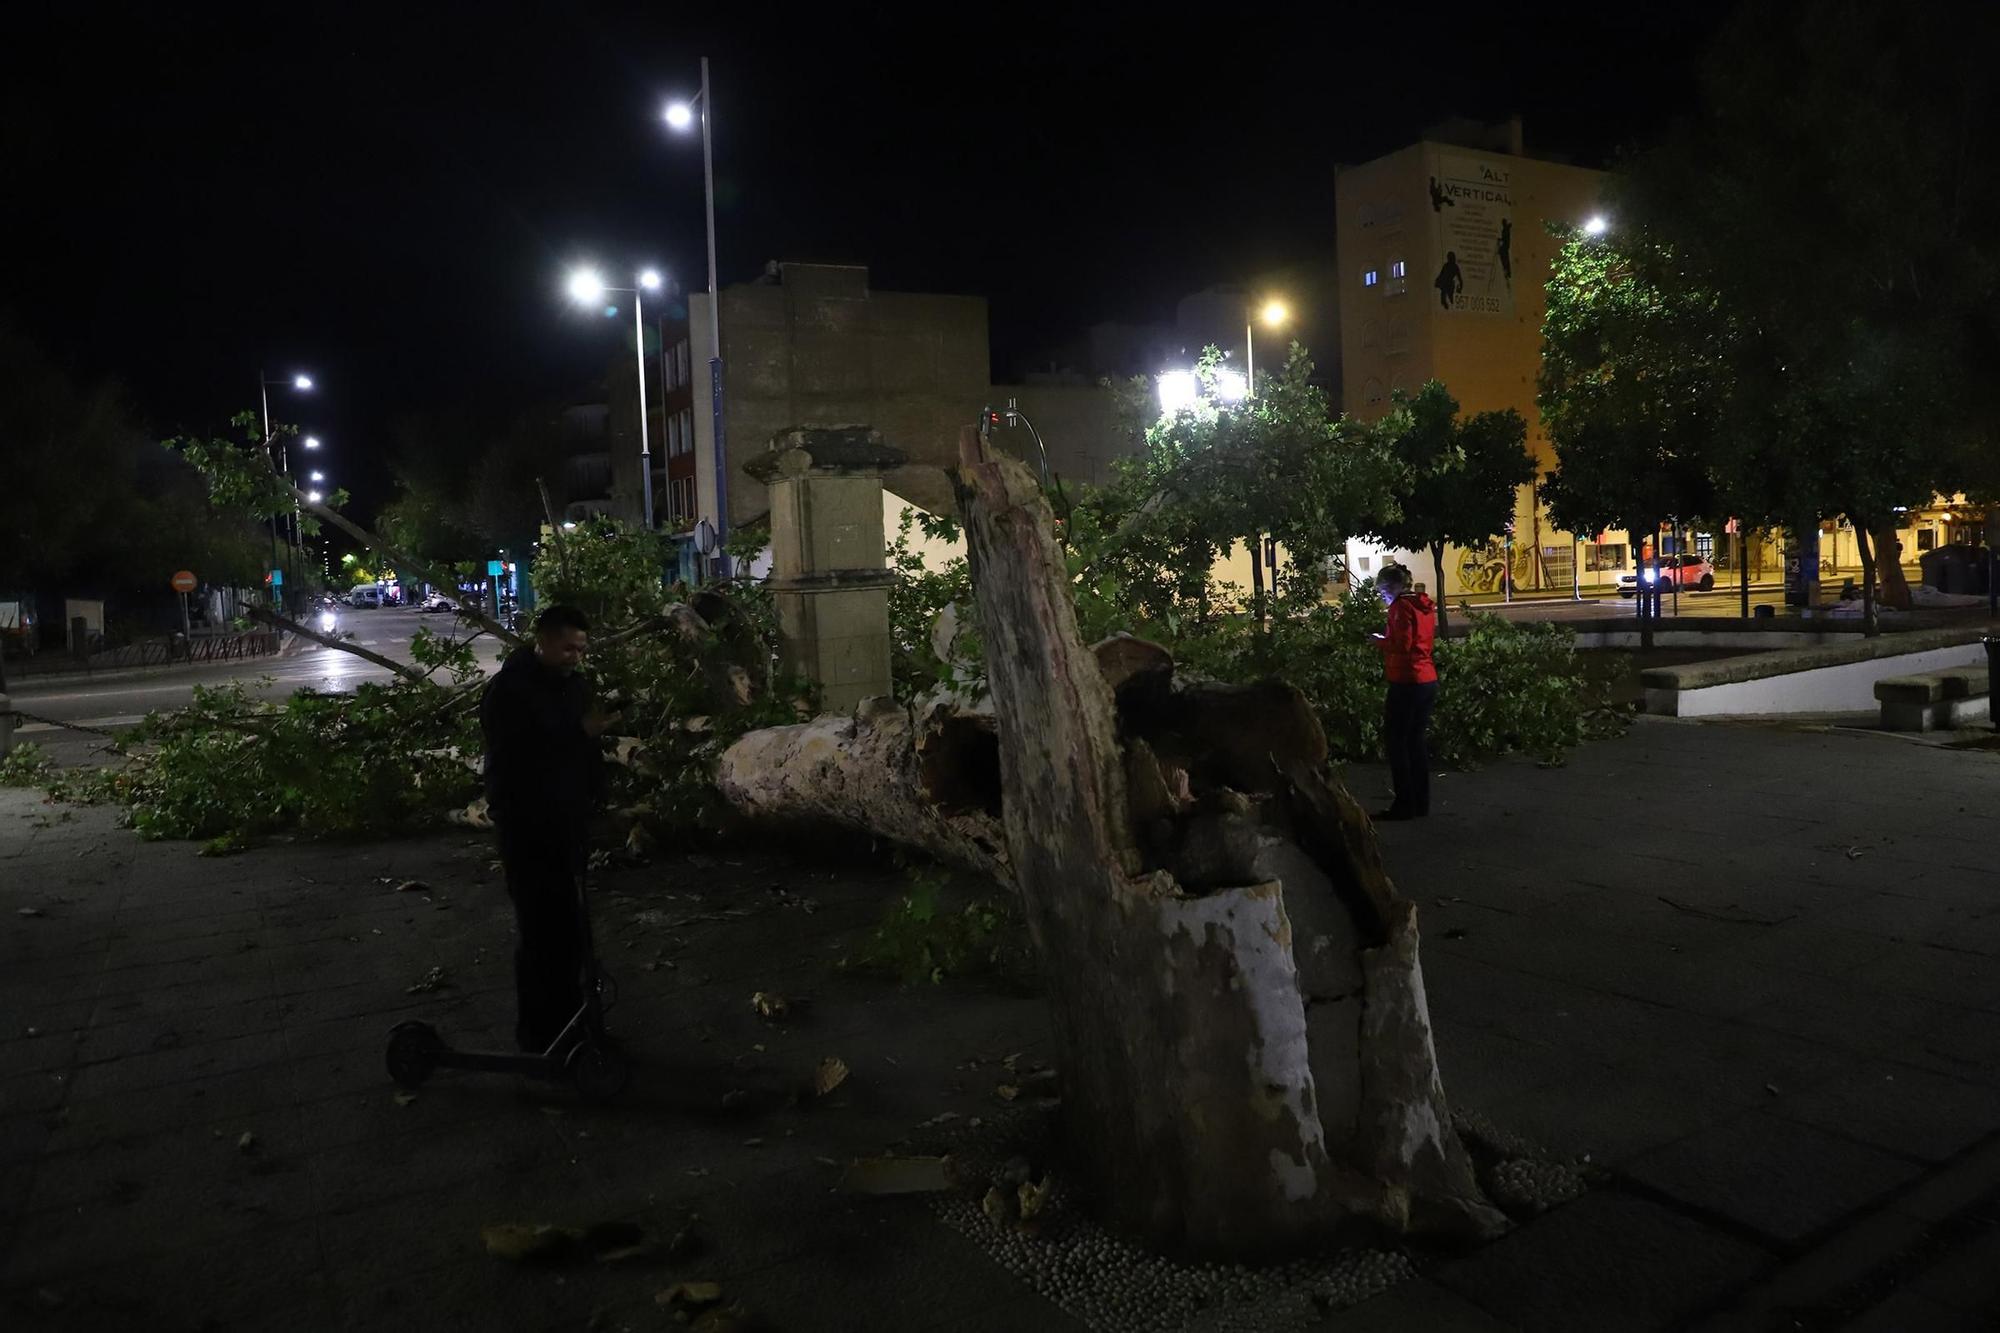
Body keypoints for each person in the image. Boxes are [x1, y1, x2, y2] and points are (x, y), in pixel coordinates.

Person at [480, 605, 620, 1052]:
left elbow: (581, 749)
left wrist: (597, 791)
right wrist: (580, 731)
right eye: (567, 648)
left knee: (571, 930)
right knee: (541, 930)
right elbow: (521, 751)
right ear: (542, 641)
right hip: (528, 824)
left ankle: (572, 1024)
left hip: (567, 820)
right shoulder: (509, 690)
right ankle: (539, 1033)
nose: (575, 656)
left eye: (581, 649)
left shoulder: (572, 685)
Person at [1372, 564, 1438, 820]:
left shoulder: (1400, 607)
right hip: (1426, 678)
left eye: (1384, 591)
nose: (1384, 596)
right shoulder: (1423, 606)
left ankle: (1404, 805)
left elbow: (1402, 643)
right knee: (1415, 742)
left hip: (1407, 680)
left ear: (1395, 586)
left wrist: (1379, 641)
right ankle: (1420, 803)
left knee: (1397, 742)